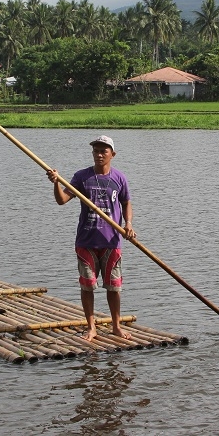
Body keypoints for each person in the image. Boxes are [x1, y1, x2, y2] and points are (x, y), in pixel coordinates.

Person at [46, 135, 136, 341]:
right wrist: (56, 183)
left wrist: (128, 224)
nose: (99, 154)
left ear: (112, 154)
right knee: (87, 285)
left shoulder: (119, 178)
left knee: (114, 287)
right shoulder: (82, 177)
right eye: (96, 150)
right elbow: (62, 200)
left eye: (104, 151)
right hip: (86, 241)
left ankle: (116, 326)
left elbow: (126, 203)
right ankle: (91, 328)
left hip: (112, 242)